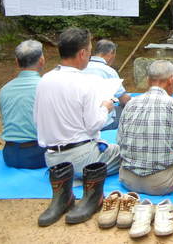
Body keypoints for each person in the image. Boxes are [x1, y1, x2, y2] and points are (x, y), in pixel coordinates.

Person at [34, 27, 120, 178]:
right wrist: (105, 107)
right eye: (89, 51)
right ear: (82, 54)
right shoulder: (85, 82)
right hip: (82, 158)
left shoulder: (44, 80)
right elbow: (94, 125)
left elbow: (37, 120)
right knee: (128, 154)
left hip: (52, 159)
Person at [117, 60, 173, 195]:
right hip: (161, 184)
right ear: (171, 80)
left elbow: (120, 141)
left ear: (148, 80)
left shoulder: (130, 104)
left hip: (127, 180)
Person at [0, 40, 47, 169]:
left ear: (17, 62)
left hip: (9, 154)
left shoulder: (4, 89)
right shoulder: (45, 87)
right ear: (41, 60)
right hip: (38, 154)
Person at [82, 39, 130, 131]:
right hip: (102, 122)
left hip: (81, 121)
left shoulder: (80, 68)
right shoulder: (109, 71)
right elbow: (124, 100)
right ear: (111, 54)